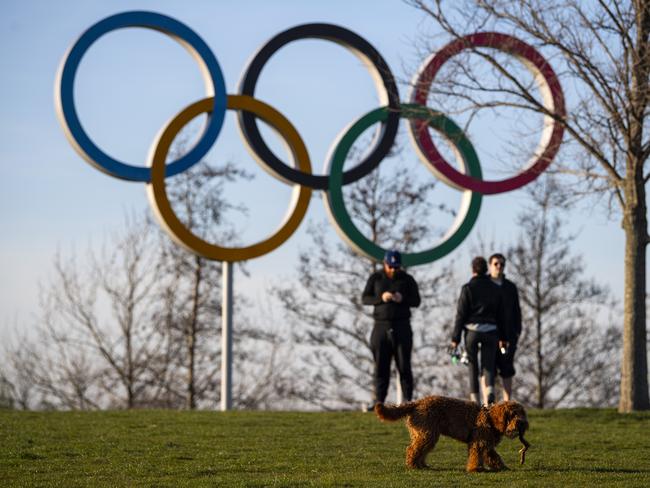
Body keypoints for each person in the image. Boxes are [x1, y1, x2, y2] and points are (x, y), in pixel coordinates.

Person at [362, 249, 421, 407]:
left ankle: (408, 401)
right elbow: (364, 298)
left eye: (397, 267)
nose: (394, 270)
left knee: (404, 366)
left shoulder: (407, 279)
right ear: (385, 264)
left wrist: (402, 299)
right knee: (381, 367)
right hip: (380, 327)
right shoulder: (376, 278)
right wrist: (380, 298)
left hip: (402, 326)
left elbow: (417, 301)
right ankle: (379, 402)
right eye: (391, 267)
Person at [450, 256, 508, 405]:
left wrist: (455, 339)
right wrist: (503, 337)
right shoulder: (496, 289)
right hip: (491, 332)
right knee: (488, 365)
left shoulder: (468, 288)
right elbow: (501, 315)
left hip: (472, 332)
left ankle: (474, 401)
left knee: (472, 366)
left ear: (473, 270)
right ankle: (489, 393)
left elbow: (461, 315)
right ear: (486, 269)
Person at [488, 253, 522, 401]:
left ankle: (507, 403)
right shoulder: (485, 285)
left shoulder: (510, 287)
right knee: (489, 370)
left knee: (507, 369)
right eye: (496, 263)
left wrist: (516, 332)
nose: (499, 267)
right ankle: (489, 404)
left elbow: (516, 311)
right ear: (490, 266)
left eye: (502, 264)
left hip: (508, 336)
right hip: (489, 334)